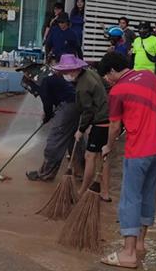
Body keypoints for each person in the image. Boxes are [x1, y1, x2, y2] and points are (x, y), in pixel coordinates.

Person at [98, 52, 156, 269]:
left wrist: (109, 146)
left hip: (139, 149)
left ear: (111, 72)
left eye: (106, 76)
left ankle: (128, 254)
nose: (107, 81)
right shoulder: (150, 76)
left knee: (130, 198)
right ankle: (140, 243)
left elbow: (114, 127)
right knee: (147, 194)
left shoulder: (117, 91)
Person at [53, 54, 111, 201]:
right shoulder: (90, 72)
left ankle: (83, 190)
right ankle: (104, 192)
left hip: (100, 120)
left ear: (73, 71)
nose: (65, 75)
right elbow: (107, 86)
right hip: (107, 117)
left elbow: (88, 111)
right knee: (102, 156)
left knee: (90, 156)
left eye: (65, 72)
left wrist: (81, 130)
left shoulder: (83, 87)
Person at [26, 59, 78, 182]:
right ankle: (80, 170)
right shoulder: (49, 75)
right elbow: (52, 98)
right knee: (73, 138)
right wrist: (49, 113)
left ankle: (46, 174)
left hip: (68, 107)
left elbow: (47, 103)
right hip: (75, 105)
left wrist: (48, 116)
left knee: (55, 140)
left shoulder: (43, 80)